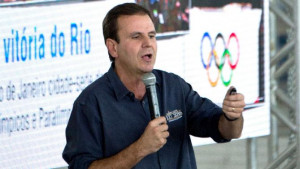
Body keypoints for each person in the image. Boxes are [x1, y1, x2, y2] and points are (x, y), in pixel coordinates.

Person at [62, 3, 245, 169]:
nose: (148, 43)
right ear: (113, 48)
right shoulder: (91, 104)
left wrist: (232, 117)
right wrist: (140, 149)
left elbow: (226, 131)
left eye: (151, 36)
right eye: (136, 37)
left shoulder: (173, 86)